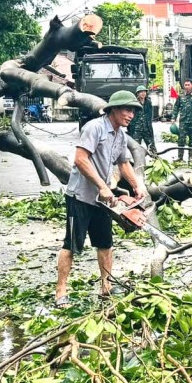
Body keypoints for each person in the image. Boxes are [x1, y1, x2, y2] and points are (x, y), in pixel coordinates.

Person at [56, 90, 147, 303]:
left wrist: (137, 185)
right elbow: (80, 159)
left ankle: (106, 287)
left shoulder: (121, 134)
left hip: (102, 201)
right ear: (113, 109)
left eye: (133, 111)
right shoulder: (94, 128)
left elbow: (123, 163)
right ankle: (60, 291)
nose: (130, 114)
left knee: (105, 243)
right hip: (80, 196)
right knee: (71, 244)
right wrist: (102, 187)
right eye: (127, 109)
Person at [173, 79, 192, 162]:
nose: (186, 86)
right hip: (183, 121)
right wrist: (173, 118)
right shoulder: (180, 96)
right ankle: (180, 157)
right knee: (181, 139)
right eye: (185, 85)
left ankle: (190, 156)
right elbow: (176, 107)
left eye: (188, 85)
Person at [128, 85, 157, 157]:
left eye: (144, 92)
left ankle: (156, 161)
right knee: (136, 147)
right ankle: (137, 163)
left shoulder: (148, 102)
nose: (143, 94)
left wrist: (149, 126)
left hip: (146, 128)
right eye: (141, 92)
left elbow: (150, 116)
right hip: (136, 129)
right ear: (137, 93)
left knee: (152, 146)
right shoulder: (134, 103)